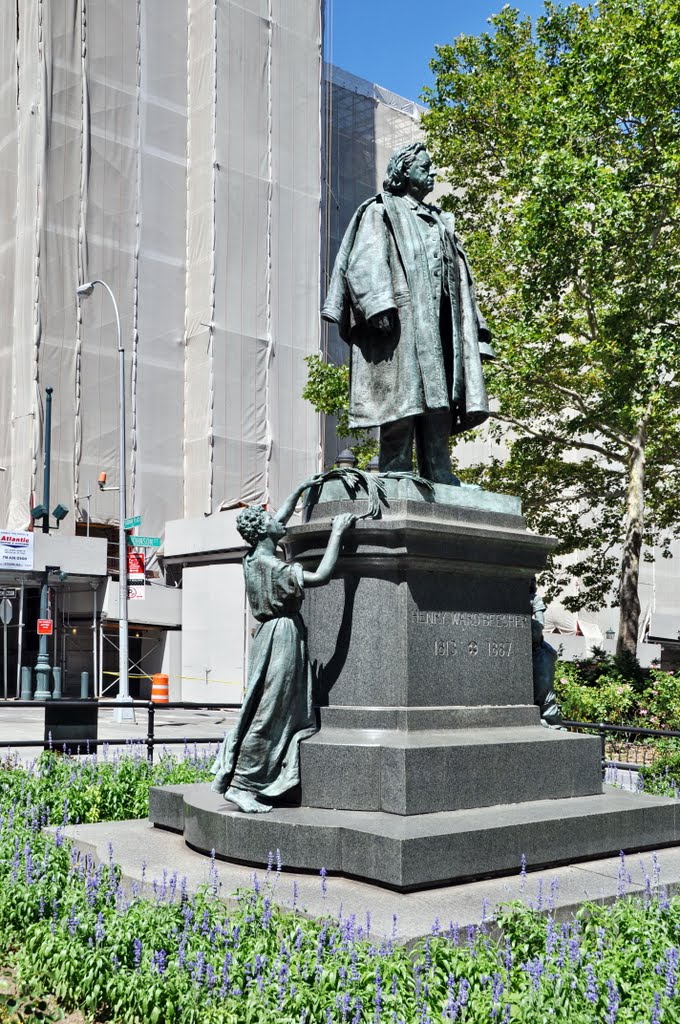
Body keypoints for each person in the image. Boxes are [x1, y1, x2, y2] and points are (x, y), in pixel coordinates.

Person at [322, 142, 495, 483]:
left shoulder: (439, 221)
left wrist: (472, 332)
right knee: (403, 398)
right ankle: (396, 469)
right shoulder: (381, 210)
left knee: (440, 400)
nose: (433, 172)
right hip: (402, 323)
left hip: (442, 327)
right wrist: (376, 305)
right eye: (425, 166)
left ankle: (440, 470)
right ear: (404, 171)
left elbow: (462, 281)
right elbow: (364, 259)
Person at [211, 475, 355, 813]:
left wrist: (302, 487)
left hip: (268, 636)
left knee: (266, 707)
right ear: (264, 533)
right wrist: (337, 533)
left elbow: (280, 518)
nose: (280, 521)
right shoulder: (275, 567)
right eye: (271, 521)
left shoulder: (252, 558)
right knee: (268, 711)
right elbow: (320, 576)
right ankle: (242, 784)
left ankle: (253, 777)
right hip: (282, 638)